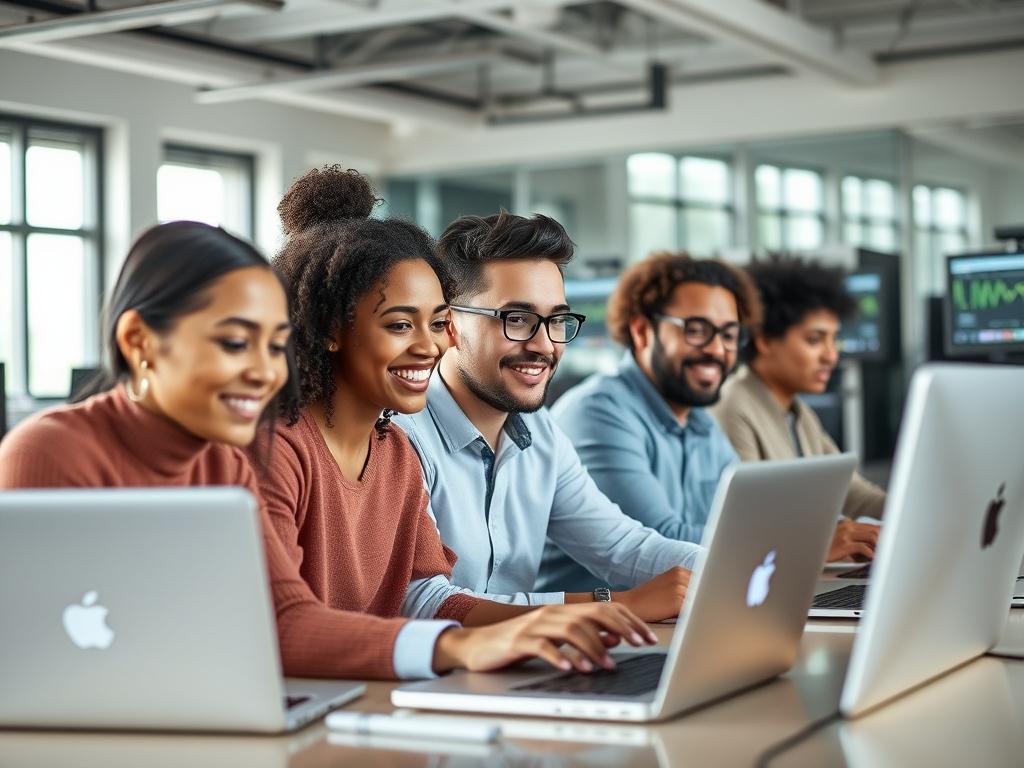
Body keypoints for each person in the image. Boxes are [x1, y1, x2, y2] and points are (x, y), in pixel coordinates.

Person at [0, 220, 654, 682]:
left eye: (274, 343)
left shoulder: (229, 459)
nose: (264, 370)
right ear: (141, 342)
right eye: (236, 343)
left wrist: (515, 632)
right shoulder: (51, 453)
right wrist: (464, 645)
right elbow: (280, 630)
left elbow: (299, 615)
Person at [256, 166, 657, 677]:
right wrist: (459, 647)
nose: (432, 345)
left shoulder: (392, 453)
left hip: (374, 697)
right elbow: (282, 624)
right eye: (401, 324)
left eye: (438, 322)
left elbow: (433, 598)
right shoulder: (277, 450)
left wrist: (537, 624)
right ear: (332, 329)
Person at [394, 212, 702, 622]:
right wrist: (611, 606)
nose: (544, 344)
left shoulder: (540, 433)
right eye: (517, 319)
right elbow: (423, 603)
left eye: (556, 320)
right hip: (431, 672)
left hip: (513, 664)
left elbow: (622, 547)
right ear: (448, 323)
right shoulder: (401, 434)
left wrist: (741, 567)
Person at [540, 252, 758, 591]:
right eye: (697, 330)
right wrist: (786, 540)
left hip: (677, 611)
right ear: (642, 331)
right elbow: (660, 539)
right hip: (597, 629)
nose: (717, 349)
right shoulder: (598, 413)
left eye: (729, 334)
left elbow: (747, 515)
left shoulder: (701, 423)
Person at [712, 255, 885, 537]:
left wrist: (914, 509)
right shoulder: (733, 407)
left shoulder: (799, 414)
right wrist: (832, 536)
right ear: (764, 339)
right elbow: (751, 522)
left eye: (833, 339)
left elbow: (851, 491)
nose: (831, 355)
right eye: (814, 340)